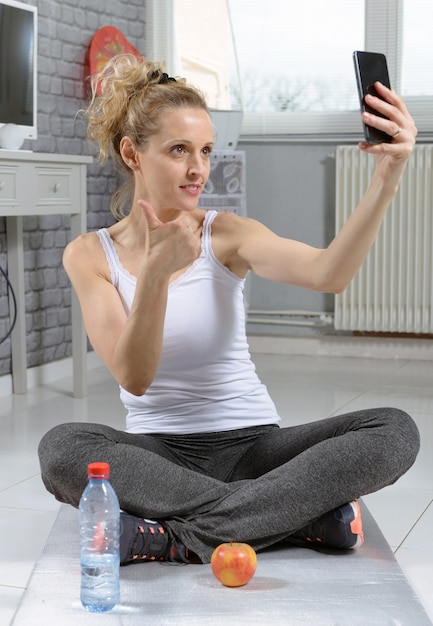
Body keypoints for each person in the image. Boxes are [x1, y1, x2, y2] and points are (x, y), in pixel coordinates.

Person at [39, 54, 420, 566]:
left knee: (394, 430)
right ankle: (294, 518)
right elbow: (134, 377)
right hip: (161, 458)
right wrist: (154, 274)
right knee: (61, 448)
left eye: (205, 150)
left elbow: (329, 274)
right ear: (132, 152)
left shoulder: (227, 234)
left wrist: (388, 174)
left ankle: (171, 536)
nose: (198, 168)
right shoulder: (90, 254)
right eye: (178, 150)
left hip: (256, 452)